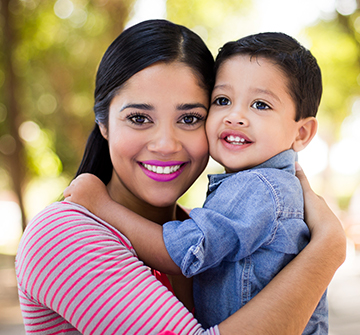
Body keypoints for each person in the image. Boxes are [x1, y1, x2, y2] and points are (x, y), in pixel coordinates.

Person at [16, 19, 346, 335]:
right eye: (138, 117)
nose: (165, 144)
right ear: (104, 123)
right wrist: (325, 253)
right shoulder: (64, 232)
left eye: (189, 118)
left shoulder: (208, 234)